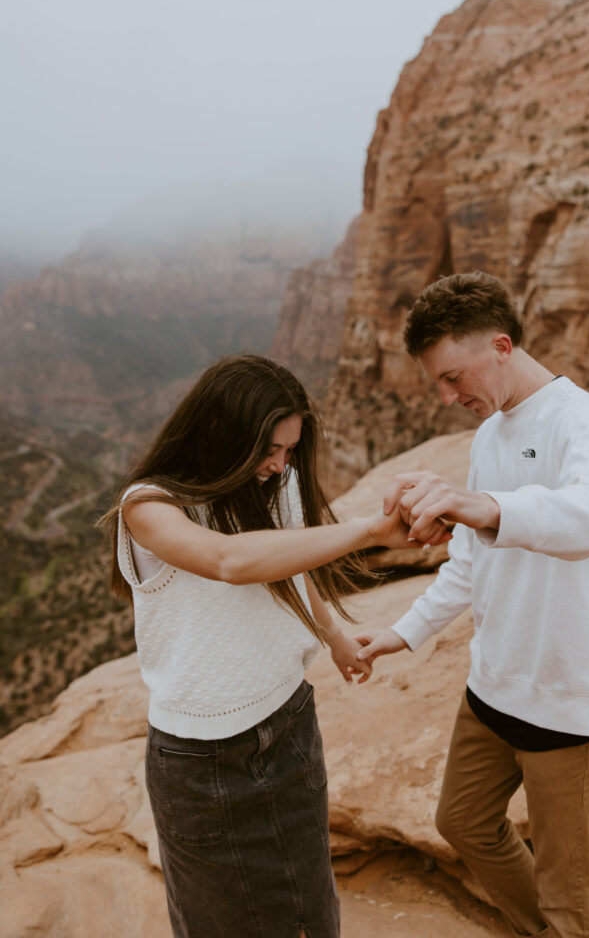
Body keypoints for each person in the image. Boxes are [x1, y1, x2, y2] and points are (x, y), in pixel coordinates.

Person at [356, 271, 589, 938]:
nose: (446, 395)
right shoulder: (489, 435)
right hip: (494, 687)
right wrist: (402, 632)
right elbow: (469, 563)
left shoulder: (582, 418)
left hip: (568, 702)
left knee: (569, 892)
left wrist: (483, 505)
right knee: (460, 821)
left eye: (452, 376)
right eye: (437, 382)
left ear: (500, 344)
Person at [102, 354, 410, 938]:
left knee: (311, 913)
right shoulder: (148, 506)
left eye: (290, 450)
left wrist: (336, 637)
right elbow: (230, 562)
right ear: (222, 431)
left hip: (291, 725)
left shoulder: (275, 483)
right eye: (270, 448)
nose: (279, 463)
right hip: (202, 760)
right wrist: (371, 529)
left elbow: (291, 565)